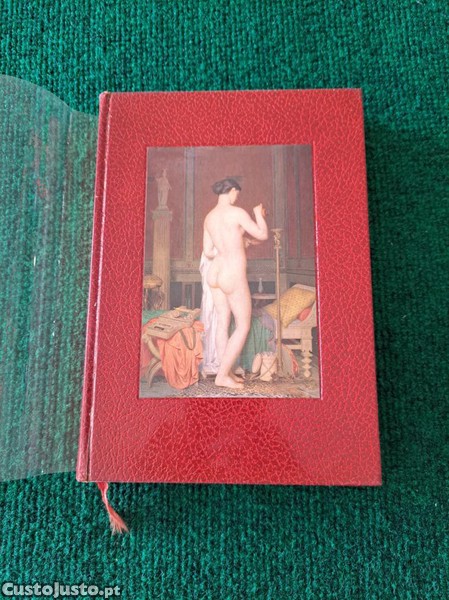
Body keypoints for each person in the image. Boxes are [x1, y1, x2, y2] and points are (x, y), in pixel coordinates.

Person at [203, 178, 268, 389]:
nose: (236, 197)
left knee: (223, 323)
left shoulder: (209, 217)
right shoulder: (237, 212)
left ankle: (227, 371)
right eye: (236, 194)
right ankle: (222, 376)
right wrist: (258, 214)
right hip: (232, 273)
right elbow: (263, 234)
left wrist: (237, 240)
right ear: (231, 191)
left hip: (215, 272)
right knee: (243, 325)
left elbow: (208, 251)